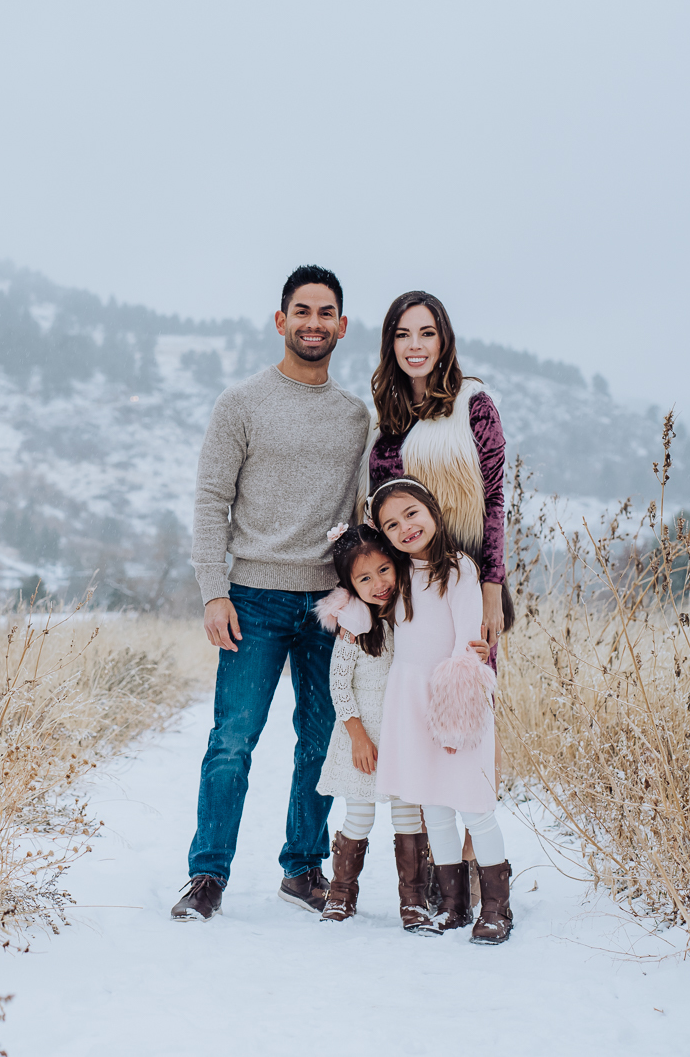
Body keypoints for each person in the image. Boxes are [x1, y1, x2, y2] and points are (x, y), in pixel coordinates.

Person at [171, 265, 372, 922]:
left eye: (326, 313)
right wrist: (213, 590)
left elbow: (367, 508)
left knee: (321, 742)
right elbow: (211, 498)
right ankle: (207, 875)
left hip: (328, 606)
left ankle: (302, 868)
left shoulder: (354, 418)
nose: (314, 322)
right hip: (251, 598)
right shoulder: (242, 403)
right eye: (301, 310)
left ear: (342, 327)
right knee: (232, 741)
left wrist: (364, 601)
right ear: (281, 320)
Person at [368, 289, 511, 885]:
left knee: (467, 728)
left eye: (426, 333)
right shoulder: (386, 418)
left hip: (469, 585)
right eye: (403, 335)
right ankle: (436, 878)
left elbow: (498, 499)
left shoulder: (474, 405)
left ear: (443, 338)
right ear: (390, 343)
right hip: (411, 599)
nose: (415, 346)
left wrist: (493, 588)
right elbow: (378, 516)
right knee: (421, 732)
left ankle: (483, 878)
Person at [313, 523, 491, 929]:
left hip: (404, 735)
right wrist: (357, 735)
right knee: (358, 816)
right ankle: (341, 894)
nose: (378, 584)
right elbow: (338, 684)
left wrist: (475, 649)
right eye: (363, 578)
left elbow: (446, 645)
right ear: (349, 585)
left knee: (408, 816)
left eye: (383, 571)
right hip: (363, 740)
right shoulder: (355, 628)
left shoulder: (411, 615)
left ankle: (412, 900)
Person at [371, 476, 513, 944]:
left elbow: (466, 645)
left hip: (455, 699)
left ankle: (496, 907)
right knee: (433, 808)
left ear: (432, 509)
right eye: (391, 524)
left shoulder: (459, 570)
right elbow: (361, 612)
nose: (405, 527)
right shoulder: (396, 577)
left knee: (474, 804)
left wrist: (455, 717)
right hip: (410, 702)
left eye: (411, 513)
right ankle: (453, 905)